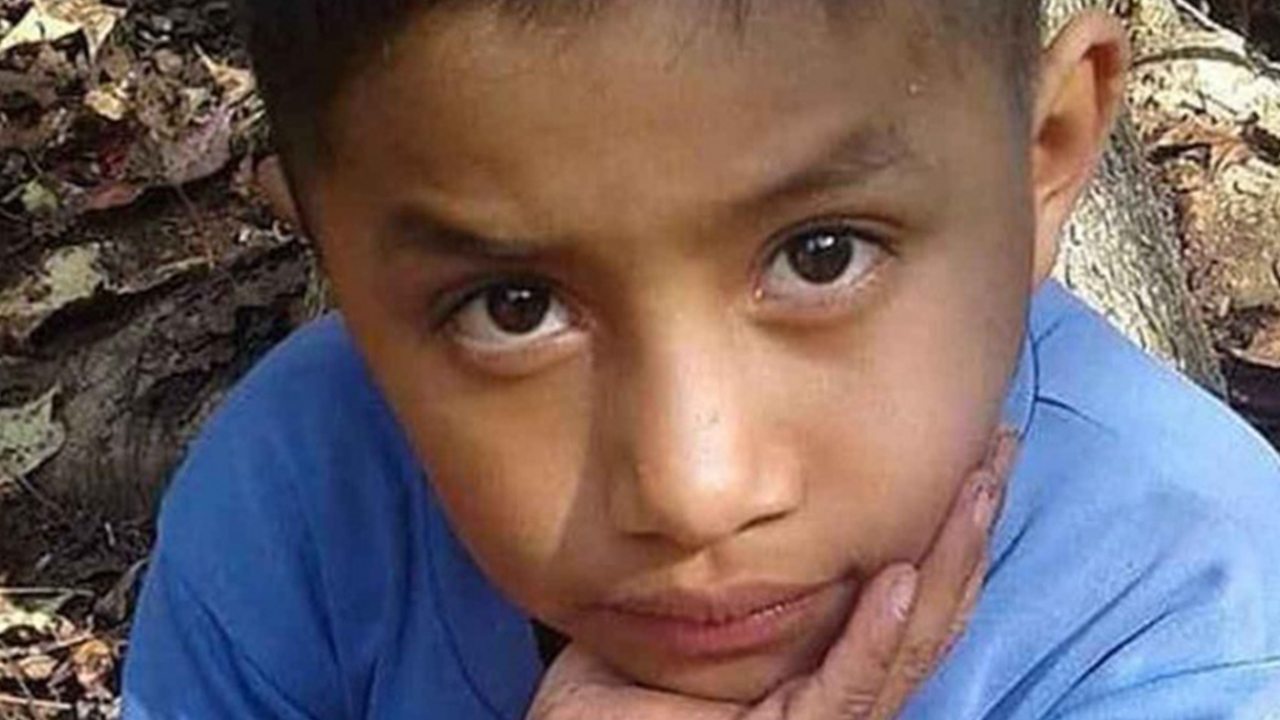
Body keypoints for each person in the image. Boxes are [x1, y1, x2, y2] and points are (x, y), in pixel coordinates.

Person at [121, 0, 1280, 718]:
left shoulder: (1192, 622)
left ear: (1043, 160)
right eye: (513, 308)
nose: (693, 491)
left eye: (821, 255)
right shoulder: (294, 503)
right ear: (333, 252)